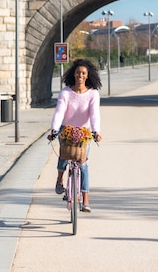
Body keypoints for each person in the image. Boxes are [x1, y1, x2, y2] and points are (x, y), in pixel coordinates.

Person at [47, 58, 102, 213]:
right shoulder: (66, 92)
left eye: (84, 73)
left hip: (84, 131)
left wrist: (96, 131)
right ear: (74, 74)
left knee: (83, 163)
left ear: (88, 76)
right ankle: (59, 180)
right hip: (66, 128)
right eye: (78, 72)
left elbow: (94, 114)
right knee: (65, 155)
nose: (81, 75)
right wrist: (54, 129)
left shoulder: (93, 94)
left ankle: (85, 199)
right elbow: (59, 112)